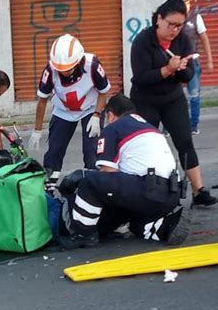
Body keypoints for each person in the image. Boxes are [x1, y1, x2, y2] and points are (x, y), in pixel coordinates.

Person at [58, 93, 188, 246]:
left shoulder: (113, 128)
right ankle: (165, 227)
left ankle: (83, 235)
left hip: (146, 189)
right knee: (135, 224)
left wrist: (82, 177)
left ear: (110, 115)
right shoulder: (151, 128)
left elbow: (107, 173)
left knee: (90, 182)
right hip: (170, 195)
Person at [130, 0, 217, 207]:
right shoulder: (143, 41)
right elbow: (140, 77)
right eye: (171, 24)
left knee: (185, 141)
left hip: (172, 98)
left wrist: (181, 70)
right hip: (146, 100)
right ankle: (146, 194)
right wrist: (167, 69)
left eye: (179, 25)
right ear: (159, 19)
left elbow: (188, 77)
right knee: (147, 147)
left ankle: (199, 191)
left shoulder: (182, 41)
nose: (174, 30)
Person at [28, 33, 110, 188]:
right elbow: (42, 101)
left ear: (78, 61)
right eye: (60, 69)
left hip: (90, 108)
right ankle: (49, 185)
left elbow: (103, 91)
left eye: (67, 69)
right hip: (63, 109)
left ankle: (92, 185)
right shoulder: (50, 70)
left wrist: (96, 115)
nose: (63, 72)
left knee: (91, 150)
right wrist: (37, 130)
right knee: (55, 149)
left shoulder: (92, 64)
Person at [180, 0, 214, 135]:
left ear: (190, 3)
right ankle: (168, 127)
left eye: (186, 2)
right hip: (176, 62)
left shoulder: (195, 18)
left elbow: (204, 39)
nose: (184, 4)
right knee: (172, 94)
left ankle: (193, 125)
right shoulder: (174, 19)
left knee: (194, 95)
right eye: (181, 1)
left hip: (192, 61)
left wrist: (209, 61)